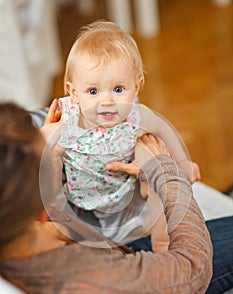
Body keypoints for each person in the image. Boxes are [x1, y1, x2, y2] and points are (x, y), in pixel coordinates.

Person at [1, 101, 233, 294]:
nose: (50, 135)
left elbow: (61, 219)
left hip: (129, 259)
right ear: (36, 206)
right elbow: (194, 267)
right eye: (42, 148)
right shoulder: (88, 287)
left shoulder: (13, 230)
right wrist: (165, 172)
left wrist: (52, 158)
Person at [41, 20, 201, 251]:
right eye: (93, 91)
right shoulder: (69, 121)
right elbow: (35, 141)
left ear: (136, 87)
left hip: (124, 192)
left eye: (118, 89)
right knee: (49, 162)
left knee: (153, 162)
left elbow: (163, 129)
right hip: (76, 197)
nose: (106, 102)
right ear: (73, 93)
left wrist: (183, 162)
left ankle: (162, 243)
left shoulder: (136, 117)